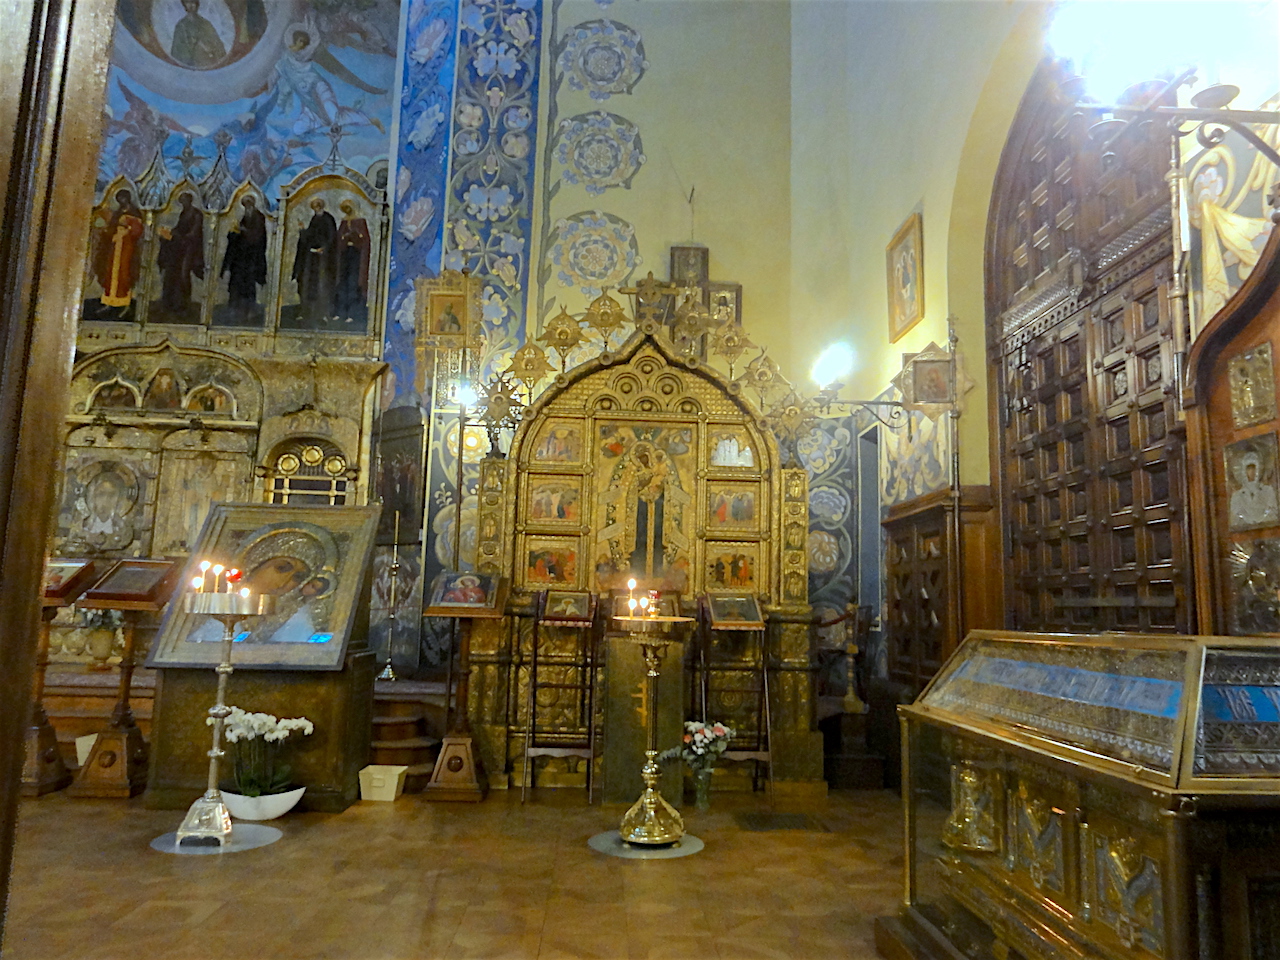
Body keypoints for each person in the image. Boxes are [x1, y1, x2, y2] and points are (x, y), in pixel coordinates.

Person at [91, 189, 144, 317]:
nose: (121, 201)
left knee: (124, 271)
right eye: (119, 199)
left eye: (123, 198)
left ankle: (125, 303)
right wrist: (107, 231)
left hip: (127, 247)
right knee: (111, 271)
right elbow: (111, 228)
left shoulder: (134, 212)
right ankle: (109, 301)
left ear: (128, 198)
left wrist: (127, 229)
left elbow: (138, 231)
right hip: (115, 247)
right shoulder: (117, 213)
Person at [156, 191, 205, 320]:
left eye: (185, 200)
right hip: (179, 248)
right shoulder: (183, 213)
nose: (183, 203)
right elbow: (179, 228)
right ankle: (170, 303)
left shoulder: (196, 214)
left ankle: (184, 304)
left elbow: (194, 233)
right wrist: (168, 233)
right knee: (172, 273)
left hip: (190, 249)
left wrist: (177, 235)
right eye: (181, 201)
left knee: (184, 274)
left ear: (190, 200)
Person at [220, 195, 267, 322]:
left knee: (248, 284)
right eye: (245, 205)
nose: (247, 207)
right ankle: (235, 309)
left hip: (252, 257)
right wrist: (234, 233)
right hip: (240, 258)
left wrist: (244, 231)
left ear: (253, 204)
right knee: (236, 283)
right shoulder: (245, 218)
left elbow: (258, 236)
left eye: (249, 204)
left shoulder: (258, 217)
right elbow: (240, 237)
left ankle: (249, 311)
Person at [293, 197, 337, 325]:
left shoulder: (328, 219)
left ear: (322, 206)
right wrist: (302, 230)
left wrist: (324, 248)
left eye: (318, 206)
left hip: (324, 258)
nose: (317, 209)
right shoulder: (314, 219)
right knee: (309, 283)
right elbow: (310, 236)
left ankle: (323, 314)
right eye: (315, 207)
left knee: (322, 284)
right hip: (312, 258)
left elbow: (332, 237)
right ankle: (307, 312)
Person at [334, 199, 370, 323]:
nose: (347, 211)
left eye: (349, 208)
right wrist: (344, 239)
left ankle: (352, 314)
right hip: (344, 255)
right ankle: (340, 312)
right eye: (345, 209)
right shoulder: (344, 222)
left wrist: (356, 236)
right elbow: (339, 238)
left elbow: (365, 240)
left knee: (353, 283)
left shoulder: (360, 221)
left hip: (356, 255)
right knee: (342, 282)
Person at [170, 0, 227, 70]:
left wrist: (210, 49)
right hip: (191, 67)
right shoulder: (181, 26)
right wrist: (196, 46)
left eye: (193, 2)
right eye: (188, 2)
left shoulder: (206, 24)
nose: (191, 5)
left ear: (197, 4)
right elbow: (177, 52)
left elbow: (218, 45)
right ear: (184, 5)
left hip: (208, 63)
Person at [1232, 454, 1279, 528]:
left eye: (1254, 468)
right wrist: (1249, 521)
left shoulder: (1268, 490)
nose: (1252, 471)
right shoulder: (1237, 495)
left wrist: (1261, 520)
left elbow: (1273, 511)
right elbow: (1236, 516)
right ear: (1244, 471)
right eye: (1249, 469)